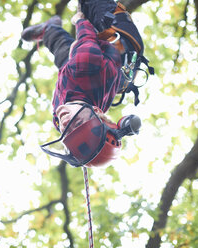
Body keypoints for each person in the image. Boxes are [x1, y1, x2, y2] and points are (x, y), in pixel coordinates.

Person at [21, 3, 147, 168]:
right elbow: (86, 38)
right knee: (91, 8)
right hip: (111, 47)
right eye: (77, 122)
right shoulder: (85, 66)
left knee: (62, 55)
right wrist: (80, 20)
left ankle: (50, 29)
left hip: (74, 77)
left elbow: (71, 124)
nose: (66, 122)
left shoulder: (61, 116)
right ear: (96, 111)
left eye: (66, 131)